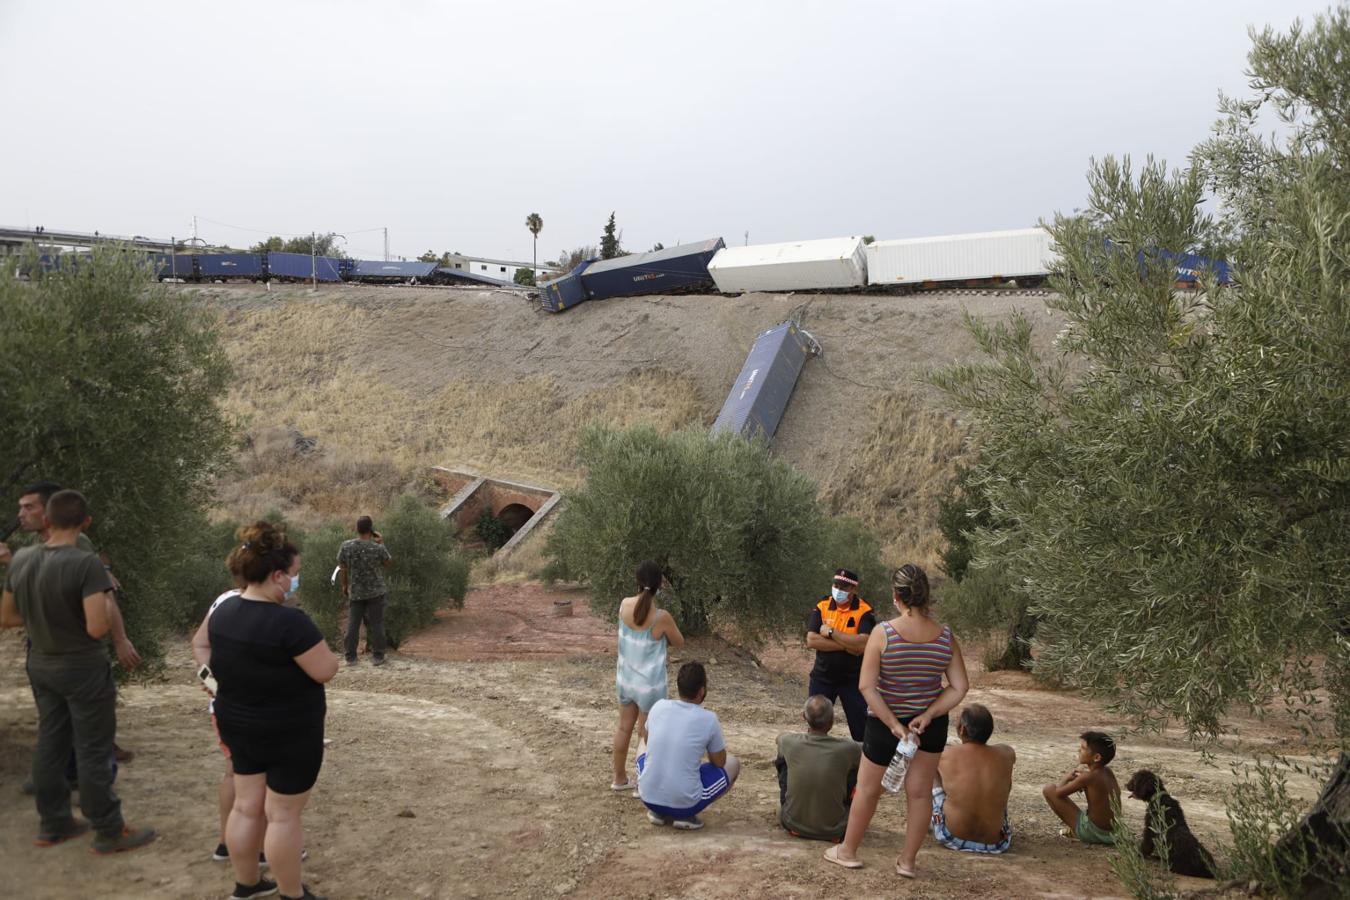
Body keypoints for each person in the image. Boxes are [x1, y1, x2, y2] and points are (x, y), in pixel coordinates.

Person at [0, 489, 155, 854]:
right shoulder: (85, 563)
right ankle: (108, 829)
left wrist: (42, 620)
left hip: (41, 664)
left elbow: (5, 617)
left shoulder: (21, 558)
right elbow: (96, 627)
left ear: (48, 521)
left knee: (50, 742)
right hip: (82, 667)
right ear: (86, 522)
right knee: (92, 747)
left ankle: (53, 823)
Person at [210, 521, 337, 900]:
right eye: (294, 575)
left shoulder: (223, 611)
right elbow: (325, 669)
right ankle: (291, 894)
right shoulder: (290, 622)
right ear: (278, 575)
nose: (295, 582)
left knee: (246, 808)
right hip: (289, 732)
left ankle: (246, 885)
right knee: (283, 815)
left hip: (238, 724)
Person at [825, 564, 969, 878]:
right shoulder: (945, 636)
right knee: (919, 794)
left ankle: (848, 851)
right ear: (927, 596)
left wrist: (893, 724)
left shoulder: (883, 633)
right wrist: (929, 714)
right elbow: (960, 687)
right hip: (928, 728)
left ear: (896, 596)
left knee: (867, 790)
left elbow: (866, 686)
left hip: (884, 724)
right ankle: (908, 861)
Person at [636, 661, 740, 830]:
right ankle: (686, 815)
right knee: (733, 763)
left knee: (642, 742)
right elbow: (720, 762)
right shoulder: (709, 718)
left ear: (678, 687)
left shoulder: (659, 706)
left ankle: (659, 813)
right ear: (702, 691)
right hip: (686, 803)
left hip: (648, 797)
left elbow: (648, 741)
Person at [612, 560, 684, 790]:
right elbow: (679, 642)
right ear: (659, 585)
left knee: (624, 728)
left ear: (637, 580)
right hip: (649, 686)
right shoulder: (661, 617)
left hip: (625, 679)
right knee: (646, 735)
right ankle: (644, 784)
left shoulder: (624, 605)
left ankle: (619, 779)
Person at [930, 704, 1015, 854]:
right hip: (996, 842)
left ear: (962, 729)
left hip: (951, 837)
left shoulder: (945, 754)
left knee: (931, 768)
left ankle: (925, 821)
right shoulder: (1007, 754)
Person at [775, 694, 861, 841]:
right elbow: (868, 752)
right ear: (832, 721)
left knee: (783, 760)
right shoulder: (848, 748)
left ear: (804, 717)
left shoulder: (789, 741)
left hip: (792, 824)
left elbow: (779, 739)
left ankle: (799, 812)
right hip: (837, 830)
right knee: (857, 767)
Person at [805, 568, 875, 742]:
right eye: (836, 584)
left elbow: (863, 644)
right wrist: (847, 645)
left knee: (861, 730)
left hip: (852, 681)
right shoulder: (822, 606)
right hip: (822, 678)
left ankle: (861, 766)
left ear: (853, 590)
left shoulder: (865, 611)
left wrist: (830, 632)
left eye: (844, 587)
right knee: (815, 725)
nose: (839, 589)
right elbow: (812, 640)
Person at [1042, 730, 1120, 846]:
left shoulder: (1087, 778)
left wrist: (1067, 778)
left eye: (1083, 748)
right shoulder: (1107, 772)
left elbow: (1058, 793)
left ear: (1097, 757)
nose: (1079, 750)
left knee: (1048, 789)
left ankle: (1079, 833)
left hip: (1094, 832)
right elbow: (1098, 786)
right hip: (1113, 832)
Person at [336, 515, 392, 666]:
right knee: (377, 623)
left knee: (353, 624)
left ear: (357, 529)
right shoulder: (377, 547)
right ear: (371, 530)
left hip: (356, 592)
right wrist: (381, 543)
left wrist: (344, 585)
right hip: (376, 592)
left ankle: (351, 657)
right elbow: (387, 563)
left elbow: (342, 567)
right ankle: (378, 656)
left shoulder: (346, 546)